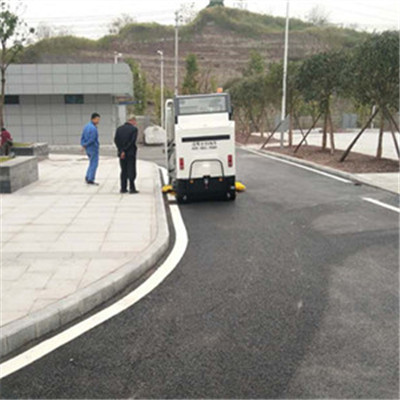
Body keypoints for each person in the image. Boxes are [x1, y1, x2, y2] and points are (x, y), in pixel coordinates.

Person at [114, 115, 139, 194]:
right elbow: (132, 141)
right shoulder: (134, 129)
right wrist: (125, 150)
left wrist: (121, 150)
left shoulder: (119, 129)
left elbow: (116, 140)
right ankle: (132, 187)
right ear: (133, 121)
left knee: (123, 170)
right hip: (130, 153)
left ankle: (123, 187)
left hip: (121, 154)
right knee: (131, 169)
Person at [81, 113, 100, 185]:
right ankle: (90, 179)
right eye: (97, 119)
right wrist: (86, 144)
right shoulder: (93, 128)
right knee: (94, 163)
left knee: (91, 162)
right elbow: (92, 139)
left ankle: (88, 176)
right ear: (93, 119)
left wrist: (83, 145)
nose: (98, 121)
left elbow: (82, 137)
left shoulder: (86, 127)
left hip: (88, 148)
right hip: (93, 147)